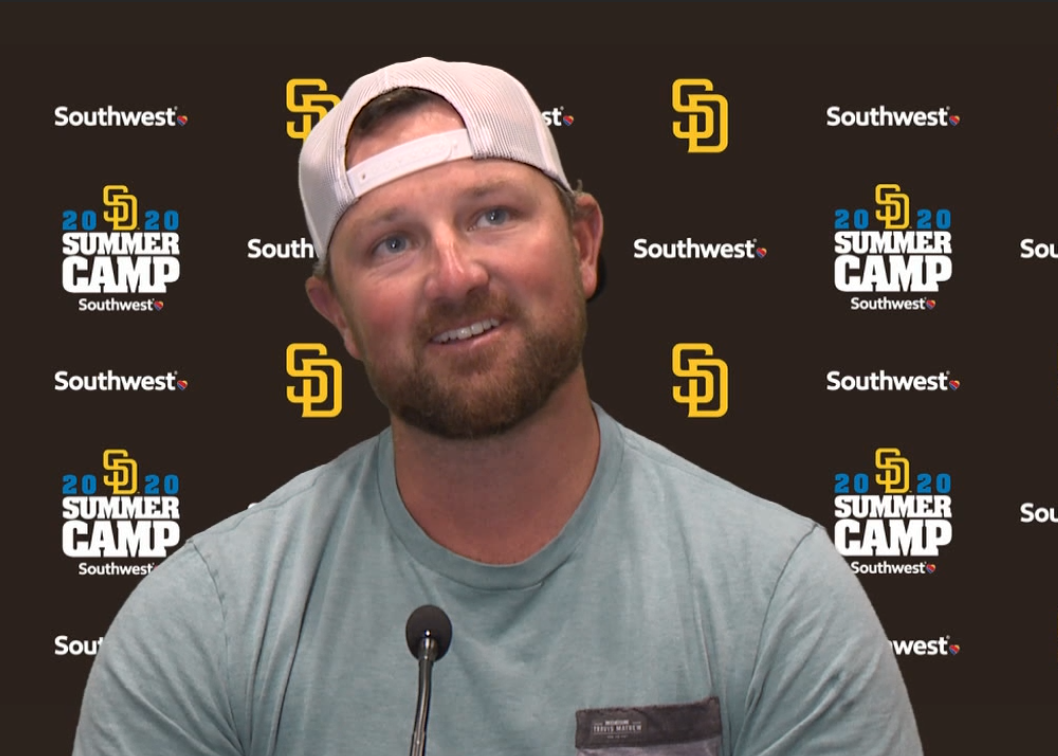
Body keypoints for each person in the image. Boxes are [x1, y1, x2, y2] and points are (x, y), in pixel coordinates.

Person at [73, 57, 923, 756]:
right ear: (339, 317)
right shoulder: (204, 625)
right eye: (391, 244)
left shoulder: (773, 596)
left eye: (492, 214)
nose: (454, 275)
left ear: (584, 244)